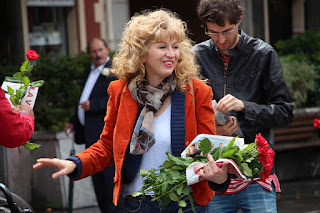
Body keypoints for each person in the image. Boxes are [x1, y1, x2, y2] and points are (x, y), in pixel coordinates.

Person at [33, 9, 231, 213]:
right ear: (142, 51)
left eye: (175, 46)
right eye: (162, 46)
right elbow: (107, 146)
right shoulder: (120, 91)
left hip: (185, 204)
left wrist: (219, 176)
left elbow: (208, 150)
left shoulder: (197, 92)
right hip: (136, 204)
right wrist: (75, 164)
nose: (171, 54)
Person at [193, 0, 294, 212]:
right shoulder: (196, 56)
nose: (220, 39)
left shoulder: (263, 54)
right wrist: (213, 129)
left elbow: (285, 112)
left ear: (239, 19)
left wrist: (245, 107)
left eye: (227, 31)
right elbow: (184, 113)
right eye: (212, 32)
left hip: (255, 172)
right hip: (212, 171)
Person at [63, 37, 118, 213]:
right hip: (90, 135)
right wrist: (73, 120)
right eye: (94, 51)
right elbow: (83, 96)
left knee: (109, 184)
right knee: (98, 184)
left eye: (100, 50)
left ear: (107, 49)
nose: (98, 54)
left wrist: (93, 105)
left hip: (105, 137)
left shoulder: (115, 71)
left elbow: (115, 99)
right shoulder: (89, 71)